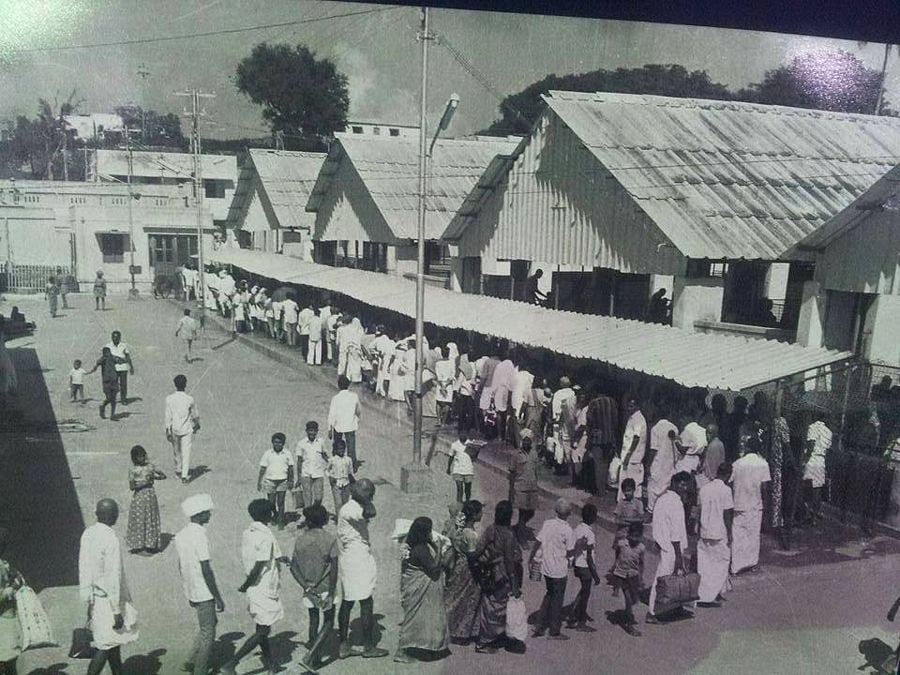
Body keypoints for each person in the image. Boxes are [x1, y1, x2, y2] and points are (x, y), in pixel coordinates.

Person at [220, 500, 288, 675]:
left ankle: (272, 665)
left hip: (256, 586)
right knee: (264, 629)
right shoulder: (265, 536)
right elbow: (259, 565)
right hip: (262, 586)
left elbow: (269, 556)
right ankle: (231, 663)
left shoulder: (248, 532)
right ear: (268, 515)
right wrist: (246, 585)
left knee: (261, 627)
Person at [78, 499, 139, 675]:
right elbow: (113, 576)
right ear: (113, 516)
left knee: (114, 644)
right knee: (104, 647)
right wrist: (116, 611)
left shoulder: (88, 533)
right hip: (109, 601)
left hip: (96, 598)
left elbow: (84, 568)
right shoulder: (110, 538)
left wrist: (88, 600)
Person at [336, 479, 389, 659]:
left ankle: (344, 644)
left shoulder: (350, 507)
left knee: (348, 600)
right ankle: (368, 646)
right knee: (365, 601)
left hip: (352, 556)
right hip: (356, 557)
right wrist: (363, 496)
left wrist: (360, 493)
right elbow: (371, 511)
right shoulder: (352, 508)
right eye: (369, 493)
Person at [174, 494, 224, 675]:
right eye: (207, 512)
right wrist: (217, 597)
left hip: (192, 588)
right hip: (204, 591)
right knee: (208, 633)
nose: (210, 515)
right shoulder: (200, 535)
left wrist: (187, 589)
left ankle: (190, 661)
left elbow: (181, 565)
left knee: (207, 625)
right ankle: (200, 670)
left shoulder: (181, 535)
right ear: (199, 514)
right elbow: (206, 569)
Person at [395, 517, 451, 663]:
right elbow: (433, 568)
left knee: (418, 617)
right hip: (419, 587)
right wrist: (438, 550)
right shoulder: (420, 549)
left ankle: (421, 646)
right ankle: (401, 651)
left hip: (414, 586)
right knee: (414, 618)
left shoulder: (412, 542)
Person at [290, 504, 340, 672]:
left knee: (313, 620)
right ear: (325, 520)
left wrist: (306, 587)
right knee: (328, 622)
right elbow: (334, 569)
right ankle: (310, 656)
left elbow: (293, 567)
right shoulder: (330, 539)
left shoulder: (300, 540)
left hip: (309, 588)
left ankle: (315, 658)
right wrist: (332, 593)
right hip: (326, 587)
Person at [472, 500, 522, 654]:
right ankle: (484, 642)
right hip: (502, 576)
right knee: (500, 607)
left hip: (489, 574)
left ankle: (491, 637)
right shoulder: (509, 535)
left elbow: (479, 549)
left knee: (490, 606)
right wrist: (514, 583)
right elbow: (508, 560)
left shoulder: (490, 529)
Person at [646, 472, 692, 624]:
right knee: (663, 579)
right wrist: (679, 557)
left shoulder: (663, 498)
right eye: (682, 484)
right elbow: (675, 533)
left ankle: (674, 607)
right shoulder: (675, 502)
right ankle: (652, 612)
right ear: (674, 483)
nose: (684, 488)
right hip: (671, 547)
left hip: (664, 544)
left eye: (686, 484)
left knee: (673, 579)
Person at [529, 498, 576, 640]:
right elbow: (570, 552)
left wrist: (531, 558)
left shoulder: (548, 523)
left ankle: (539, 624)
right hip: (559, 570)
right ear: (569, 513)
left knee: (549, 594)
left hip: (546, 567)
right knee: (557, 600)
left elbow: (538, 541)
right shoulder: (568, 530)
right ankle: (554, 631)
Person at [730, 438, 771, 575]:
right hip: (755, 504)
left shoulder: (737, 464)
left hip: (738, 503)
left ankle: (736, 566)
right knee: (753, 535)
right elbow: (765, 488)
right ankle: (751, 563)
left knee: (738, 535)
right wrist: (766, 506)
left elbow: (730, 483)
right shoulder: (763, 464)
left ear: (747, 447)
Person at [445, 500, 483, 643]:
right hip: (467, 569)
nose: (481, 514)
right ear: (474, 515)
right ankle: (461, 631)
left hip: (458, 565)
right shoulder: (471, 535)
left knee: (454, 595)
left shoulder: (459, 530)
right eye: (479, 511)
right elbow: (472, 556)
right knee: (466, 599)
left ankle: (450, 627)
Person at [697, 463, 734, 606]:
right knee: (720, 564)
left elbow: (699, 510)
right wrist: (730, 533)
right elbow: (727, 514)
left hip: (705, 530)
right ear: (728, 474)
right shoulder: (726, 490)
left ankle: (706, 593)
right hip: (719, 531)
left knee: (705, 564)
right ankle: (710, 596)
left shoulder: (704, 489)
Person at [125, 445, 165, 554]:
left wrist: (155, 475)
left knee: (150, 517)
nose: (143, 458)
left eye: (144, 455)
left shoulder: (150, 466)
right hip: (140, 496)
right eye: (140, 456)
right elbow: (132, 487)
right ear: (134, 458)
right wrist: (144, 483)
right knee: (140, 519)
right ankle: (140, 545)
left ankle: (150, 544)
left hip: (150, 495)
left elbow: (162, 476)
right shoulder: (133, 470)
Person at [568, 503, 601, 631]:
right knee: (585, 594)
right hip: (586, 567)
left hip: (577, 564)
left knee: (582, 592)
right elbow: (589, 557)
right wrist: (596, 575)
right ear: (593, 518)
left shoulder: (577, 529)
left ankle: (572, 615)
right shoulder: (590, 534)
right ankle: (581, 621)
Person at [165, 374, 200, 484]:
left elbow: (168, 415)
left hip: (175, 428)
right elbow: (195, 415)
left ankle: (178, 470)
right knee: (186, 452)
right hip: (186, 429)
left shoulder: (169, 399)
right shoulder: (189, 399)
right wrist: (197, 424)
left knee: (176, 451)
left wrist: (167, 430)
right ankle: (184, 476)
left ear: (175, 385)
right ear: (185, 384)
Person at [613, 522, 646, 636]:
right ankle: (629, 624)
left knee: (634, 599)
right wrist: (616, 569)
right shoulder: (622, 544)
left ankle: (628, 613)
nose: (634, 539)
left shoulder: (641, 548)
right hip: (622, 574)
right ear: (628, 534)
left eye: (637, 536)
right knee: (628, 600)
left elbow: (641, 563)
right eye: (633, 536)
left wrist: (641, 578)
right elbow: (617, 555)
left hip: (634, 575)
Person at [257, 432, 294, 529]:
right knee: (271, 503)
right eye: (275, 442)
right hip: (270, 481)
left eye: (280, 442)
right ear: (272, 443)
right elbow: (263, 468)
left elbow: (290, 468)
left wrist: (291, 480)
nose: (277, 444)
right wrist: (259, 481)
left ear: (283, 443)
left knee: (281, 502)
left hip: (282, 481)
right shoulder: (268, 453)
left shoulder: (287, 453)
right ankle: (274, 516)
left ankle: (281, 521)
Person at [508, 436, 540, 541]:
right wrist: (511, 490)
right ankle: (522, 539)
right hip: (520, 488)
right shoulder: (516, 455)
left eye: (528, 440)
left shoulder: (534, 453)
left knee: (531, 512)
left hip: (532, 487)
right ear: (521, 441)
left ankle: (518, 528)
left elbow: (536, 471)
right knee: (522, 513)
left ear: (531, 442)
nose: (526, 442)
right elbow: (512, 473)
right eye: (524, 440)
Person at [647, 411, 679, 513]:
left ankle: (651, 510)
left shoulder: (655, 429)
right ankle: (662, 509)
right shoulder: (674, 428)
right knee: (666, 486)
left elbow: (653, 449)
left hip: (658, 462)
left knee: (653, 486)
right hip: (670, 462)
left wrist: (648, 464)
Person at [0, 528, 22, 675]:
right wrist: (13, 586)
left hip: (6, 618)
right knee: (9, 660)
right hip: (4, 619)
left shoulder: (3, 564)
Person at [328, 375, 361, 471]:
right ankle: (352, 467)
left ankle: (335, 463)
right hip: (350, 425)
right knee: (351, 447)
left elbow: (331, 414)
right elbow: (358, 410)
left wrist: (330, 428)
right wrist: (356, 419)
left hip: (338, 425)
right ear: (348, 385)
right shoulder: (354, 396)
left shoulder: (335, 398)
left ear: (338, 385)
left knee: (336, 444)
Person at [618, 397, 648, 501]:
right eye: (628, 406)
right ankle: (624, 502)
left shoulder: (638, 419)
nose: (629, 408)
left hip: (633, 457)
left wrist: (628, 455)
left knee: (632, 481)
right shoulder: (633, 417)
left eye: (631, 406)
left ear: (637, 407)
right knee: (625, 480)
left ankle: (633, 504)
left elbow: (636, 437)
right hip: (629, 456)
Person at [296, 421, 328, 510]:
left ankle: (313, 512)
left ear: (317, 431)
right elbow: (299, 461)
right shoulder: (301, 443)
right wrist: (298, 477)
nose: (312, 433)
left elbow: (324, 455)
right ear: (306, 431)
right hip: (305, 474)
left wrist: (332, 463)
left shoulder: (321, 442)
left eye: (314, 431)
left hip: (318, 474)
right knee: (307, 498)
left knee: (319, 498)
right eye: (310, 430)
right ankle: (308, 518)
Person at [87, 347, 122, 421]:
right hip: (106, 381)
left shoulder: (113, 358)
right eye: (106, 352)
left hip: (114, 380)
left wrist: (121, 359)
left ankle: (112, 415)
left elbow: (120, 361)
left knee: (114, 399)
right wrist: (103, 358)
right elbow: (98, 362)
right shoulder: (103, 359)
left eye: (109, 352)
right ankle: (102, 407)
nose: (108, 354)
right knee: (109, 398)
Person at [327, 438, 355, 518]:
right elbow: (326, 470)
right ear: (335, 450)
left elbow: (350, 472)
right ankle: (339, 519)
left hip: (346, 483)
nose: (341, 450)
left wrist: (353, 481)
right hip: (336, 484)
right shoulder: (332, 460)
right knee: (338, 502)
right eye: (339, 449)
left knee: (345, 502)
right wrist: (331, 477)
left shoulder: (348, 460)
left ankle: (344, 519)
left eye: (343, 448)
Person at [105, 332, 133, 406]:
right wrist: (116, 359)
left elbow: (127, 356)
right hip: (113, 368)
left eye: (117, 337)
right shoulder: (108, 346)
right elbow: (106, 356)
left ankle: (123, 399)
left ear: (120, 337)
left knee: (123, 384)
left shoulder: (124, 345)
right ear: (111, 337)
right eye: (114, 337)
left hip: (123, 368)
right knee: (113, 384)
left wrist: (131, 367)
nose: (115, 338)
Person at [447, 429, 476, 503]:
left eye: (464, 433)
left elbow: (474, 457)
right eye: (461, 433)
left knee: (468, 489)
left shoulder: (471, 444)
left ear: (467, 434)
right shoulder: (454, 445)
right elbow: (451, 457)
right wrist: (448, 468)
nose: (463, 435)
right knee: (460, 489)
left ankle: (467, 503)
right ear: (459, 434)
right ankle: (459, 505)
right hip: (458, 470)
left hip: (468, 470)